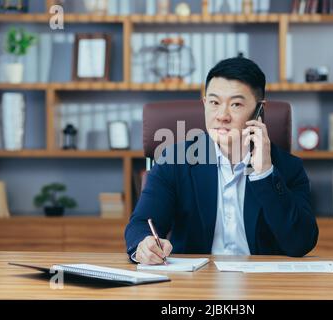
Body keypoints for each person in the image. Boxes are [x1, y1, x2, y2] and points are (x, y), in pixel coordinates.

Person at [125, 57, 318, 264]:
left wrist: (264, 173)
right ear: (204, 104)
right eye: (214, 102)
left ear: (260, 110)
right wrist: (145, 245)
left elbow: (300, 243)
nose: (222, 116)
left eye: (236, 104)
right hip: (194, 285)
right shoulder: (174, 161)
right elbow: (141, 224)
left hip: (262, 287)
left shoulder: (288, 168)